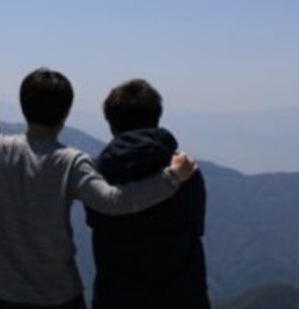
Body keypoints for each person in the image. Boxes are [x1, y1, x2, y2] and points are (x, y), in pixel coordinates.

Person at [0, 68, 197, 309]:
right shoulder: (71, 162)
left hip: (7, 295)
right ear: (66, 112)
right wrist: (172, 177)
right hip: (60, 295)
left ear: (23, 106)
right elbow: (114, 202)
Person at [85, 78, 210, 309]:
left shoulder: (97, 175)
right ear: (156, 118)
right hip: (183, 298)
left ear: (111, 125)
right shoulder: (187, 172)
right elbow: (196, 229)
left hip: (116, 299)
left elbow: (97, 223)